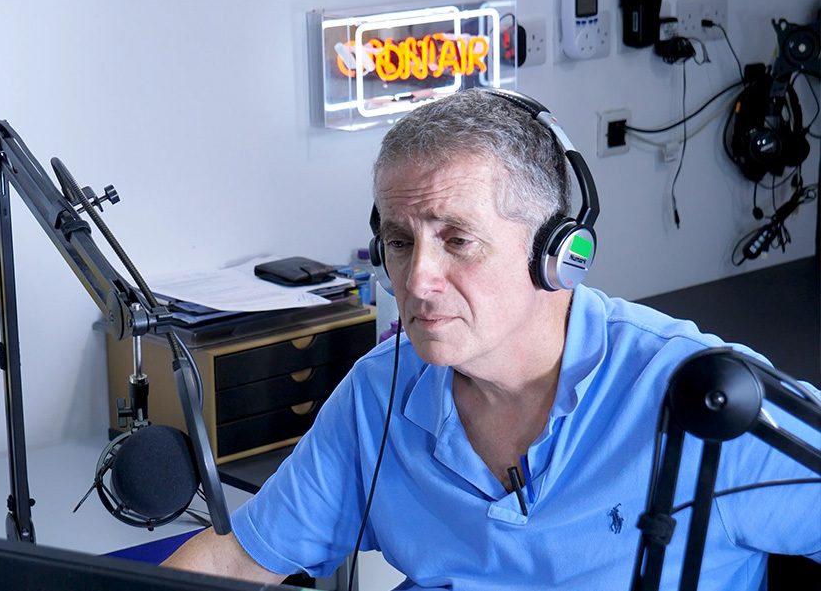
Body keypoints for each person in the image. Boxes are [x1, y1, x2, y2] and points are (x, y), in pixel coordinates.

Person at [163, 88, 820, 590]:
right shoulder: (379, 394)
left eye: (458, 241)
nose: (417, 279)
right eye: (398, 241)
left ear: (561, 254)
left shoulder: (707, 400)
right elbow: (238, 557)